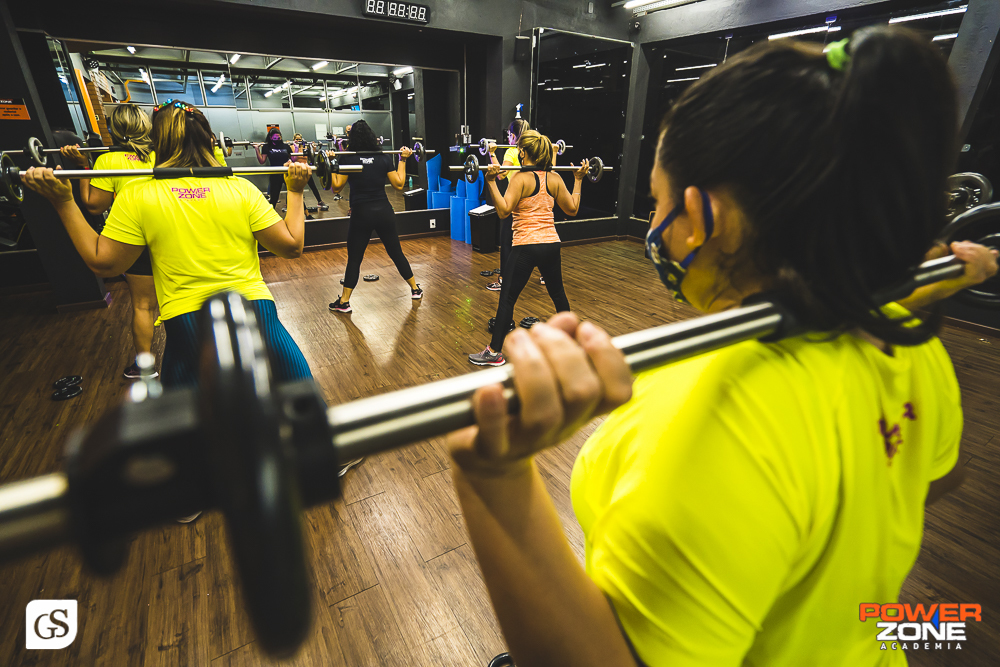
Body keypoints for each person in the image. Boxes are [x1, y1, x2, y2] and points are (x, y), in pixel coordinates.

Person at [445, 27, 999, 667]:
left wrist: (495, 479)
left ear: (709, 219)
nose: (654, 226)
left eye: (657, 203)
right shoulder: (911, 340)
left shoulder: (703, 424)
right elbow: (934, 475)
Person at [26, 100, 314, 392]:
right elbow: (291, 246)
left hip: (187, 322)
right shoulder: (241, 189)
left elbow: (104, 263)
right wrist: (295, 190)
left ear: (156, 142)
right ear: (209, 138)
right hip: (256, 310)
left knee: (197, 429)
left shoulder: (138, 195)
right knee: (302, 410)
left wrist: (63, 202)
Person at [468, 130, 588, 366]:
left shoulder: (520, 179)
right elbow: (572, 208)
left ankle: (494, 352)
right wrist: (579, 180)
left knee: (507, 299)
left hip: (526, 246)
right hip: (551, 244)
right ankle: (575, 340)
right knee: (558, 294)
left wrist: (491, 181)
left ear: (522, 152)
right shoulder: (554, 178)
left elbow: (503, 211)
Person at [59, 103, 161, 380]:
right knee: (184, 297)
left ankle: (145, 367)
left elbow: (94, 205)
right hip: (171, 231)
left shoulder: (106, 160)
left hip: (133, 237)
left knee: (143, 305)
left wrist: (82, 168)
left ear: (114, 130)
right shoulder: (165, 156)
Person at [328, 120, 422, 313]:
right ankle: (415, 288)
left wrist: (330, 163)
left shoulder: (347, 157)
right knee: (396, 252)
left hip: (361, 213)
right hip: (384, 211)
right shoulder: (384, 158)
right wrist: (403, 159)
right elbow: (398, 183)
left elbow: (336, 186)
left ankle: (344, 302)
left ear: (351, 138)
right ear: (372, 136)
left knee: (355, 258)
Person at [485, 118, 530, 291]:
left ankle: (504, 278)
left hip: (515, 202)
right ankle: (545, 275)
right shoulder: (534, 150)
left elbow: (501, 175)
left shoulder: (512, 151)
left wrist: (493, 153)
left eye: (509, 136)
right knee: (536, 238)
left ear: (512, 136)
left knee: (506, 240)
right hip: (533, 200)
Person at [254, 127, 293, 212]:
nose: (277, 140)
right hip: (275, 174)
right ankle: (270, 217)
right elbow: (262, 161)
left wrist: (296, 148)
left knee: (294, 193)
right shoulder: (266, 147)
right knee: (274, 198)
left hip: (287, 173)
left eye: (278, 138)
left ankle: (307, 215)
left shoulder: (286, 146)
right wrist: (257, 149)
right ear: (270, 138)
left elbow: (293, 159)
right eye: (275, 138)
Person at [291, 133, 328, 211]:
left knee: (313, 186)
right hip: (297, 169)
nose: (298, 141)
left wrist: (313, 149)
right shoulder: (292, 147)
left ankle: (319, 201)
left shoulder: (305, 147)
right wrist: (296, 148)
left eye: (299, 139)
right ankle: (292, 204)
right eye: (296, 139)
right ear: (294, 140)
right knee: (297, 188)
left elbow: (311, 157)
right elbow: (293, 159)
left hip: (306, 168)